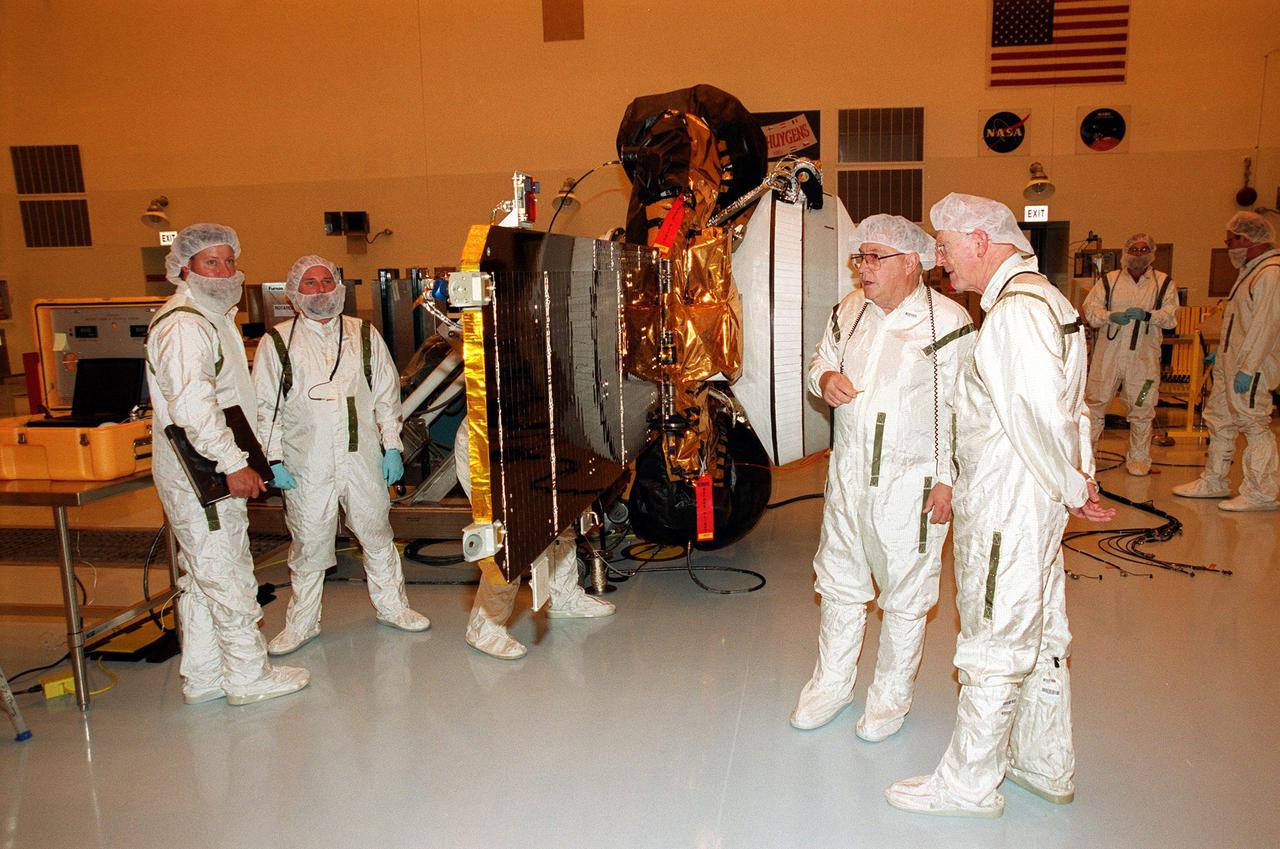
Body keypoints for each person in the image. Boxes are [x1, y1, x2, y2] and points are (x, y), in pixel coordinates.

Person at [885, 194, 1115, 818]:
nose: (939, 260)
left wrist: (1074, 487)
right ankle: (1042, 762)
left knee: (992, 638)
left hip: (1008, 504)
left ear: (982, 242)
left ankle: (969, 783)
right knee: (1037, 633)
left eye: (946, 245)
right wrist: (1080, 478)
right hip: (1032, 499)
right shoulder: (1047, 302)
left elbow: (1037, 418)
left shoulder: (1015, 314)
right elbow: (1073, 409)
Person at [791, 214, 975, 742]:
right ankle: (831, 684)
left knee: (904, 595)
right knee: (841, 584)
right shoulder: (850, 312)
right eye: (860, 258)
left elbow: (963, 411)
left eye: (875, 258)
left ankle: (891, 698)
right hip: (848, 477)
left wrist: (948, 481)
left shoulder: (949, 323)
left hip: (911, 484)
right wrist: (824, 378)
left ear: (911, 263)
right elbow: (820, 359)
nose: (863, 269)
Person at [146, 224, 310, 706]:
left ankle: (202, 675)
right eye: (209, 263)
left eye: (228, 262)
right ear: (184, 267)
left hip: (207, 464)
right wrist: (233, 463)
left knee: (202, 577)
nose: (222, 271)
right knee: (227, 573)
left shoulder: (212, 318)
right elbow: (194, 408)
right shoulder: (185, 325)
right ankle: (247, 675)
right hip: (203, 469)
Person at [253, 255, 430, 655]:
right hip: (306, 462)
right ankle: (302, 623)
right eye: (310, 284)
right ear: (296, 292)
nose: (320, 291)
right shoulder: (277, 342)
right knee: (310, 542)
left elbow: (386, 398)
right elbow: (267, 408)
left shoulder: (364, 335)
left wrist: (391, 447)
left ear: (339, 286)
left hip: (361, 458)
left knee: (377, 533)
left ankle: (393, 607)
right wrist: (273, 460)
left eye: (326, 281)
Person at [453, 419, 614, 660]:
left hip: (543, 438)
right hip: (491, 445)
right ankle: (485, 628)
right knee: (507, 536)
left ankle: (564, 597)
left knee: (566, 515)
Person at [1172, 212, 1280, 511]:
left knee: (1254, 424)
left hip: (1252, 366)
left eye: (1230, 240)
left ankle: (1261, 492)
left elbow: (1265, 326)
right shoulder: (1250, 272)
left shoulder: (1271, 273)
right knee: (1220, 418)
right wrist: (1223, 353)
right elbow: (1239, 323)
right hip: (1232, 362)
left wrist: (1247, 367)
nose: (1229, 246)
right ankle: (1215, 480)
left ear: (1247, 239)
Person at [1082, 233, 1179, 476]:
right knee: (1095, 404)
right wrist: (1108, 316)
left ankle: (1138, 459)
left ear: (1152, 253)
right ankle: (1086, 459)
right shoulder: (1109, 281)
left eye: (1144, 249)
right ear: (1126, 252)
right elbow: (1090, 311)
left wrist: (1148, 316)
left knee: (1142, 406)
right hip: (1108, 358)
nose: (1138, 254)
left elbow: (1170, 317)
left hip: (1143, 362)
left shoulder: (1163, 283)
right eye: (1134, 249)